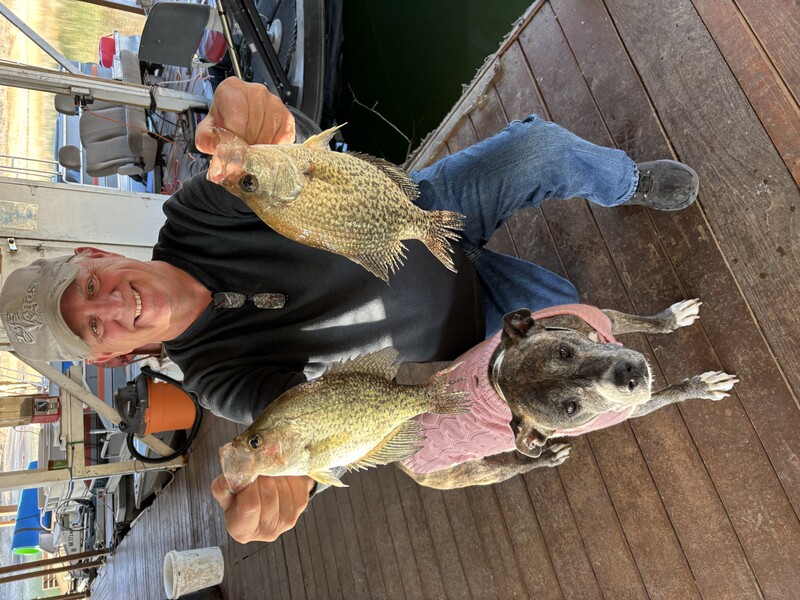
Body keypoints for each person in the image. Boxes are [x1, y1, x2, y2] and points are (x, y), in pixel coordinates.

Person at [0, 77, 699, 544]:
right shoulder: (216, 376)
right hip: (471, 337)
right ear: (111, 356)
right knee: (587, 360)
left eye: (91, 286)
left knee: (538, 148)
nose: (114, 306)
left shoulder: (196, 211)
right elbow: (297, 413)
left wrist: (262, 128)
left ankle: (626, 179)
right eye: (95, 327)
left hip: (425, 212)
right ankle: (573, 319)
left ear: (95, 254)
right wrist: (288, 466)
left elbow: (279, 154)